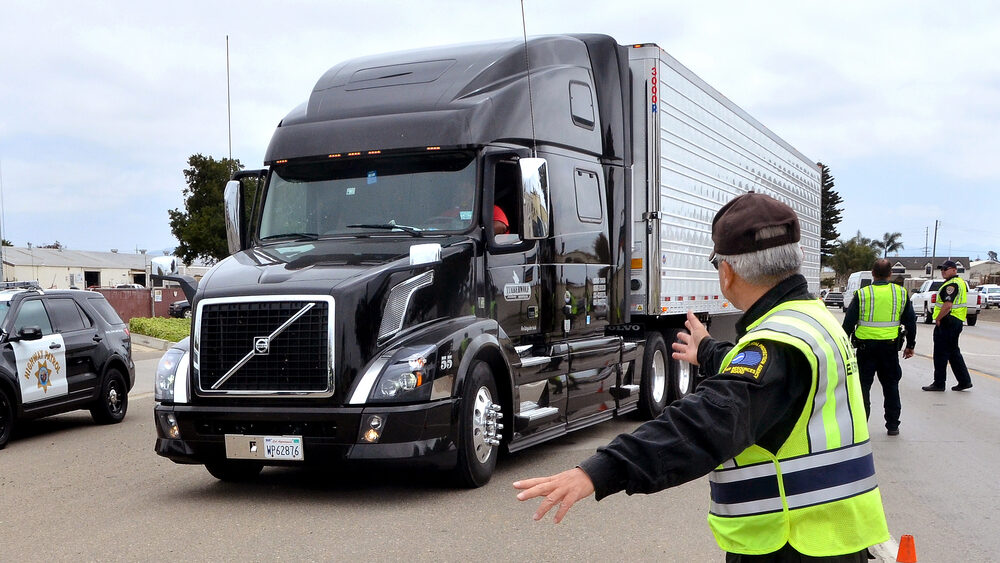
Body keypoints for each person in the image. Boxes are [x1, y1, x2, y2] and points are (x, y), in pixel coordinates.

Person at [514, 192, 889, 562]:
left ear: (727, 272)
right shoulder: (811, 319)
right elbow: (769, 385)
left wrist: (602, 470)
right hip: (835, 535)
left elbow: (707, 422)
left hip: (790, 542)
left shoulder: (777, 343)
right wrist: (709, 351)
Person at [841, 259, 916, 436]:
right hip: (889, 349)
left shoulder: (862, 294)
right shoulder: (901, 293)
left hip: (865, 349)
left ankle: (861, 426)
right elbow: (911, 322)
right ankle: (892, 425)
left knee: (863, 387)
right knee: (891, 386)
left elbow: (848, 324)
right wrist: (910, 345)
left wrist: (843, 346)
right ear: (890, 274)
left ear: (873, 274)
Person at [922, 260, 973, 392]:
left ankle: (939, 383)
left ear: (954, 270)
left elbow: (948, 305)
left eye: (946, 269)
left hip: (948, 321)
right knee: (953, 352)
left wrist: (938, 318)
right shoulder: (959, 282)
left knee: (940, 353)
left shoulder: (951, 285)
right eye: (942, 269)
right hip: (956, 320)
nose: (943, 271)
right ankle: (964, 381)